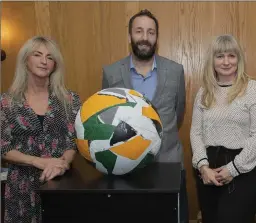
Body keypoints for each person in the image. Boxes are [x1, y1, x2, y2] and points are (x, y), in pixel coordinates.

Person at [101, 9, 188, 222]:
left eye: (151, 32)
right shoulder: (111, 72)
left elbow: (178, 112)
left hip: (167, 162)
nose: (145, 38)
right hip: (125, 165)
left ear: (157, 37)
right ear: (130, 36)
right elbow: (106, 115)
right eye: (139, 31)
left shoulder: (175, 71)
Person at [0, 36, 81, 223]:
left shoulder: (70, 100)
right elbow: (3, 148)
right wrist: (39, 162)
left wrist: (62, 164)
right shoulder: (6, 102)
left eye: (50, 57)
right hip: (21, 188)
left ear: (55, 64)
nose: (44, 61)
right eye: (37, 55)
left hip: (60, 183)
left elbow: (73, 142)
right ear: (26, 59)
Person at [190, 34, 256, 223]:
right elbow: (196, 133)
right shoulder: (204, 92)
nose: (226, 62)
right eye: (220, 56)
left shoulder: (254, 89)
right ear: (212, 60)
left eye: (231, 56)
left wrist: (233, 169)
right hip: (208, 170)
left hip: (243, 170)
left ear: (239, 59)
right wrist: (203, 167)